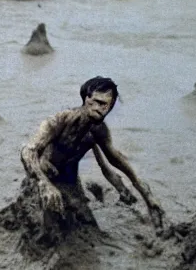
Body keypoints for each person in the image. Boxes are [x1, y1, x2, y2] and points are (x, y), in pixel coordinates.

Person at [20, 76, 165, 230]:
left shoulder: (98, 131)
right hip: (43, 178)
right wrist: (45, 185)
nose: (99, 108)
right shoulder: (59, 120)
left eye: (105, 105)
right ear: (86, 99)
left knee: (90, 228)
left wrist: (148, 197)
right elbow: (27, 152)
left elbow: (116, 161)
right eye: (95, 102)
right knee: (47, 232)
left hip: (70, 183)